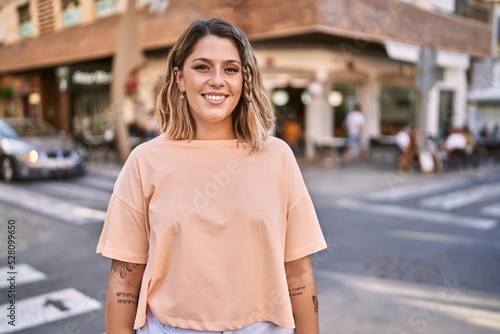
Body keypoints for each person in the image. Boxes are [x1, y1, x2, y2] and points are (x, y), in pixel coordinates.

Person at [97, 18, 327, 334]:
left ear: (244, 79)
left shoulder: (278, 158)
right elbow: (124, 278)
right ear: (179, 77)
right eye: (202, 67)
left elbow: (298, 273)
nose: (217, 80)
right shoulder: (144, 162)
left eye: (230, 69)